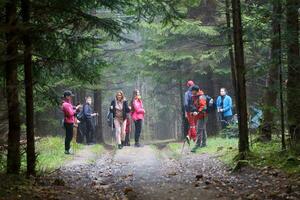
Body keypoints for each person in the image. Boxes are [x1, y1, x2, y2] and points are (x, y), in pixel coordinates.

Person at [61, 90, 80, 154]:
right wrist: (75, 111)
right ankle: (67, 150)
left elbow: (72, 108)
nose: (71, 97)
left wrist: (76, 108)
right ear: (67, 96)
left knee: (69, 136)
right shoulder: (66, 104)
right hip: (68, 122)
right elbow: (70, 113)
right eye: (70, 96)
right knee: (69, 136)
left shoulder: (68, 103)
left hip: (69, 121)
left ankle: (68, 149)